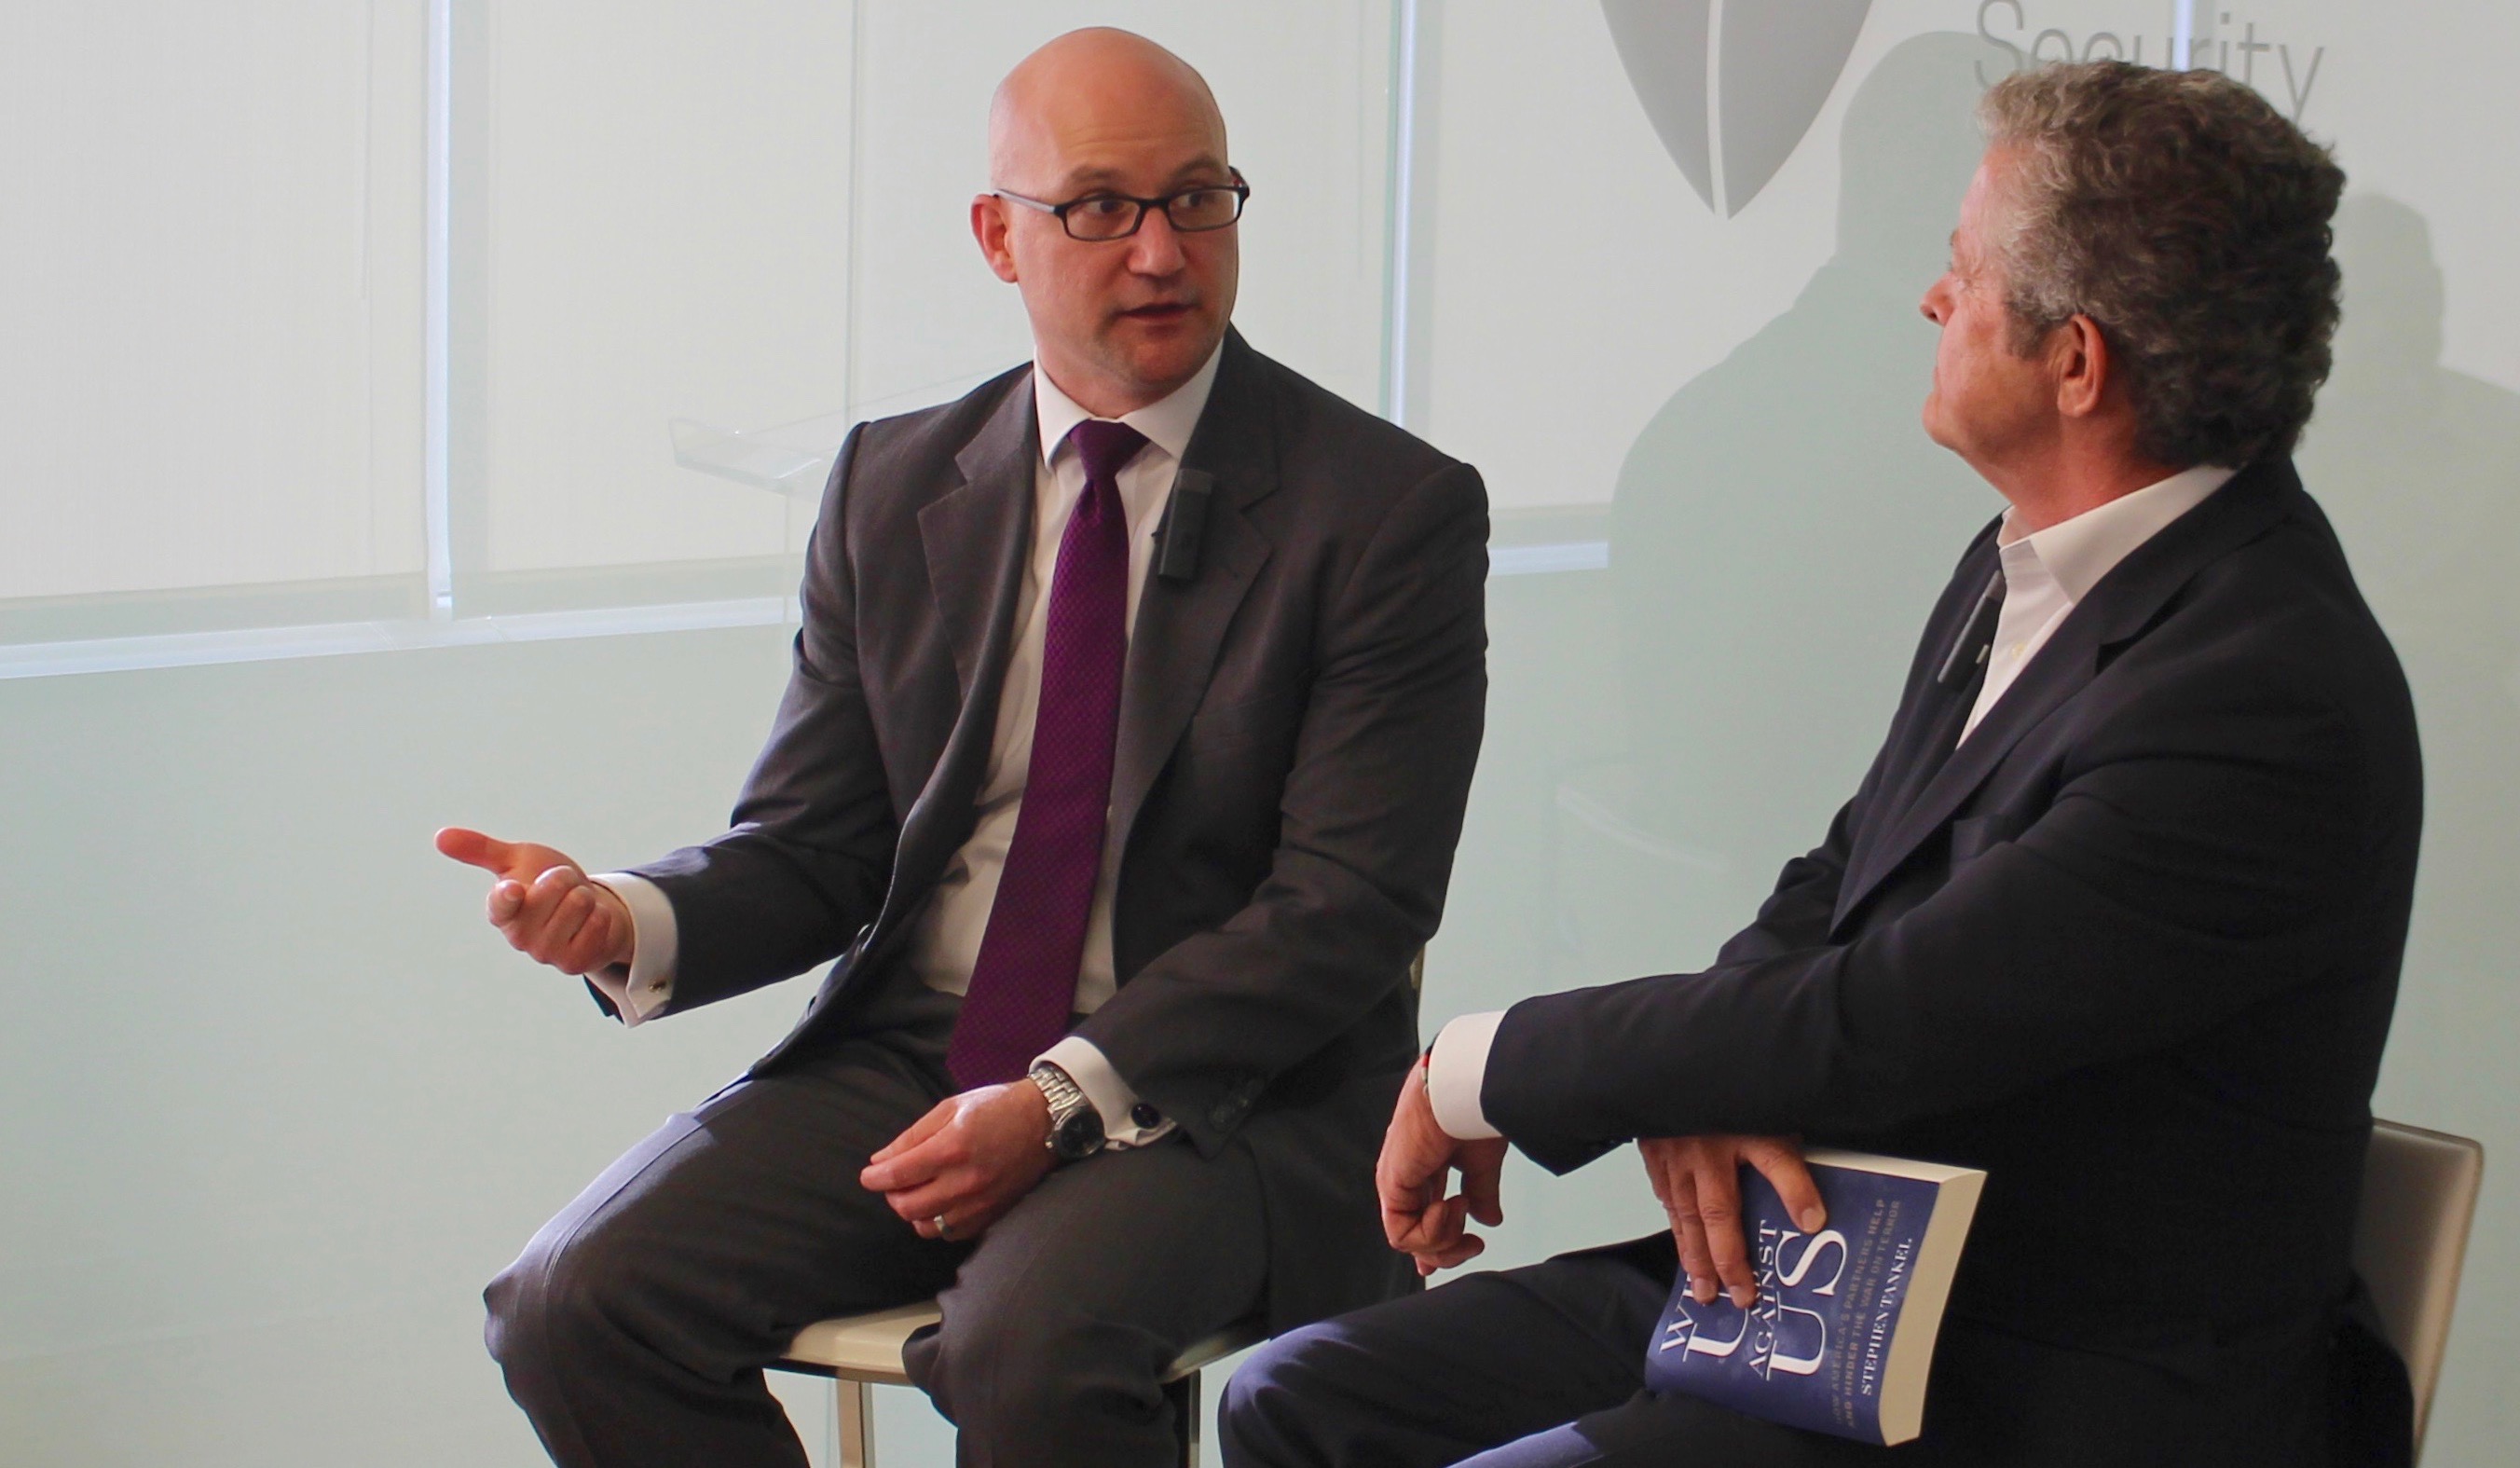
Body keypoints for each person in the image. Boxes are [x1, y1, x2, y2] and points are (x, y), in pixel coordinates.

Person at [1221, 61, 2420, 1468]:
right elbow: (1846, 876)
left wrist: (1484, 1068)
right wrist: (1704, 1075)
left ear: (2076, 363)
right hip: (1838, 1289)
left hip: (2042, 1377)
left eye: (1967, 271)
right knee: (1291, 1398)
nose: (1933, 299)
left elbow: (1891, 1014)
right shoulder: (2029, 559)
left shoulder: (2263, 694)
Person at [440, 28, 1487, 1468]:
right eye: (1102, 207)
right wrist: (625, 916)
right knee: (574, 1306)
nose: (1163, 252)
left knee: (1024, 1354)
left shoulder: (1381, 509)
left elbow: (1351, 906)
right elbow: (820, 847)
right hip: (919, 1058)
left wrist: (1061, 1100)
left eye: (1197, 198)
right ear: (999, 237)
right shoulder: (893, 484)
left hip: (1236, 1099)